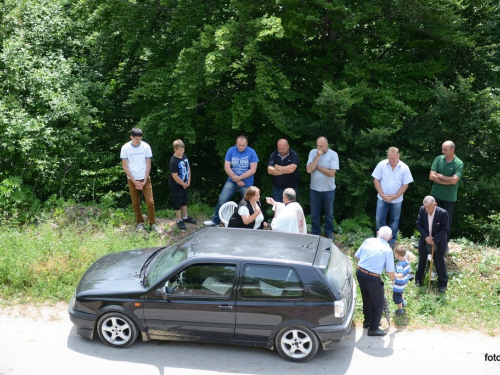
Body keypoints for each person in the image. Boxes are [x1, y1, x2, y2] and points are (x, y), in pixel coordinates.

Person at [204, 135, 259, 226]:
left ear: (247, 144)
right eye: (239, 145)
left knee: (248, 203)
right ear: (236, 143)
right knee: (222, 200)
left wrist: (240, 178)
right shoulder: (231, 150)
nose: (241, 147)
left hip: (246, 183)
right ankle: (216, 221)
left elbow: (253, 169)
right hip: (232, 181)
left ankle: (249, 224)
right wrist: (236, 179)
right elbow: (227, 167)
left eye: (243, 145)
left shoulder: (252, 152)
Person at [355, 226, 396, 336]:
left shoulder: (368, 241)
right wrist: (396, 278)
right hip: (372, 277)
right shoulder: (387, 250)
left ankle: (367, 321)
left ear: (378, 233)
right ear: (390, 237)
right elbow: (390, 272)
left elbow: (356, 256)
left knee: (366, 297)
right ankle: (373, 329)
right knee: (379, 302)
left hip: (359, 272)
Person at [120, 128, 160, 233]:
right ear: (131, 137)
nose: (138, 141)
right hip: (132, 178)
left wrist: (145, 180)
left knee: (150, 201)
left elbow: (148, 164)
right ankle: (140, 223)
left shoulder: (146, 146)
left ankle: (153, 224)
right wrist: (134, 181)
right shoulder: (125, 148)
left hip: (145, 178)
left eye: (140, 138)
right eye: (136, 139)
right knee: (135, 203)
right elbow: (125, 166)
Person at [372, 147, 414, 247]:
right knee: (379, 219)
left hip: (397, 199)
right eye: (389, 158)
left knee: (394, 221)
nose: (391, 160)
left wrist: (396, 196)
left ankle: (391, 241)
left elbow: (405, 185)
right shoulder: (382, 164)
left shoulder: (404, 167)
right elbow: (376, 180)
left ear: (398, 156)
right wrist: (382, 194)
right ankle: (380, 240)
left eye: (393, 158)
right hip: (382, 197)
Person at [429, 140, 464, 243]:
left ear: (452, 150)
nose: (443, 151)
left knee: (446, 221)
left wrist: (439, 176)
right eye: (442, 149)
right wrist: (446, 181)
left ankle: (444, 244)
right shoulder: (438, 159)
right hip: (436, 195)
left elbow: (454, 181)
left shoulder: (459, 163)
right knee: (431, 217)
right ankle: (428, 241)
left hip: (449, 198)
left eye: (445, 149)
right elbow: (431, 176)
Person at [306, 136, 339, 238]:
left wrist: (318, 167)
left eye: (322, 146)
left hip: (329, 190)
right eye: (318, 146)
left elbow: (332, 173)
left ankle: (329, 233)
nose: (319, 148)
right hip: (314, 189)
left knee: (329, 214)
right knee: (315, 214)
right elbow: (309, 170)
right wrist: (317, 157)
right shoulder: (313, 153)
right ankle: (316, 233)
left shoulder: (333, 155)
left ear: (327, 145)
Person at [415, 196, 449, 293]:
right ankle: (418, 280)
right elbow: (419, 224)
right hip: (425, 239)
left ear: (435, 205)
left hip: (439, 240)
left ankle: (442, 284)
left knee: (439, 262)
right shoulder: (422, 210)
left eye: (428, 206)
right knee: (421, 260)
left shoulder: (443, 213)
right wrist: (426, 237)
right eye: (425, 206)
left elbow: (445, 229)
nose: (426, 209)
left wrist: (434, 239)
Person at [168, 139, 197, 230]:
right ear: (175, 149)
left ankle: (185, 217)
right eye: (180, 150)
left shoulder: (184, 156)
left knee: (184, 200)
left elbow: (188, 168)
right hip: (176, 185)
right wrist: (183, 184)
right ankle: (179, 220)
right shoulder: (173, 161)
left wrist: (188, 180)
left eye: (183, 150)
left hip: (185, 183)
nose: (182, 151)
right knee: (177, 201)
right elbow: (175, 176)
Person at [393, 244, 411, 315]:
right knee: (401, 292)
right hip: (404, 282)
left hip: (399, 284)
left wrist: (393, 275)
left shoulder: (400, 265)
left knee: (397, 296)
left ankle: (400, 310)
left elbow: (400, 275)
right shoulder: (406, 262)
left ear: (397, 255)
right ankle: (403, 301)